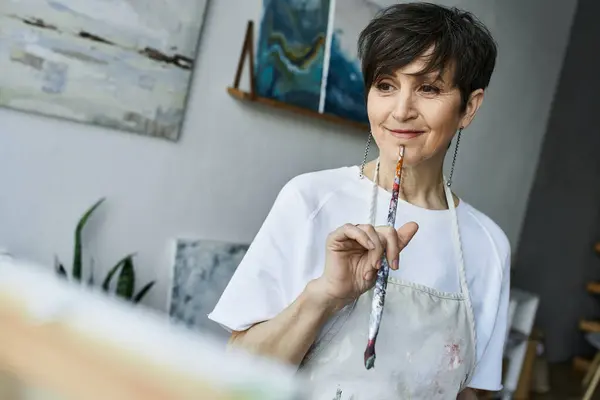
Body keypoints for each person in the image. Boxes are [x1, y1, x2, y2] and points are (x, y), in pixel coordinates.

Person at [208, 3, 510, 399]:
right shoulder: (309, 199)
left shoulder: (488, 244)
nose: (401, 110)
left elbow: (471, 392)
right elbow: (240, 376)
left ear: (468, 107)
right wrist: (326, 295)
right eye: (385, 85)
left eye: (429, 88)